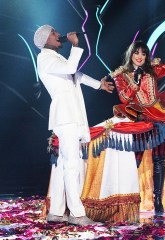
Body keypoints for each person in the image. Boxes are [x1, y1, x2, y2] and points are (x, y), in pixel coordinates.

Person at [33, 24, 114, 226]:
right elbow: (71, 68)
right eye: (53, 33)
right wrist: (76, 46)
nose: (58, 35)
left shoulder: (56, 59)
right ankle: (77, 214)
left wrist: (98, 84)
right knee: (72, 165)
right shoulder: (44, 58)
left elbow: (75, 74)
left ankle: (57, 211)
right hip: (65, 116)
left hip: (70, 114)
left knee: (63, 165)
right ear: (45, 40)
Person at [110, 40, 165, 216]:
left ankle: (158, 200)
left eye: (143, 54)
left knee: (159, 160)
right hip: (139, 117)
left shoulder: (152, 69)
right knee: (135, 160)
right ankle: (129, 199)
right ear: (131, 54)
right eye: (137, 53)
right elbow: (124, 98)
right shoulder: (121, 75)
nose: (140, 57)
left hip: (158, 115)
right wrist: (135, 82)